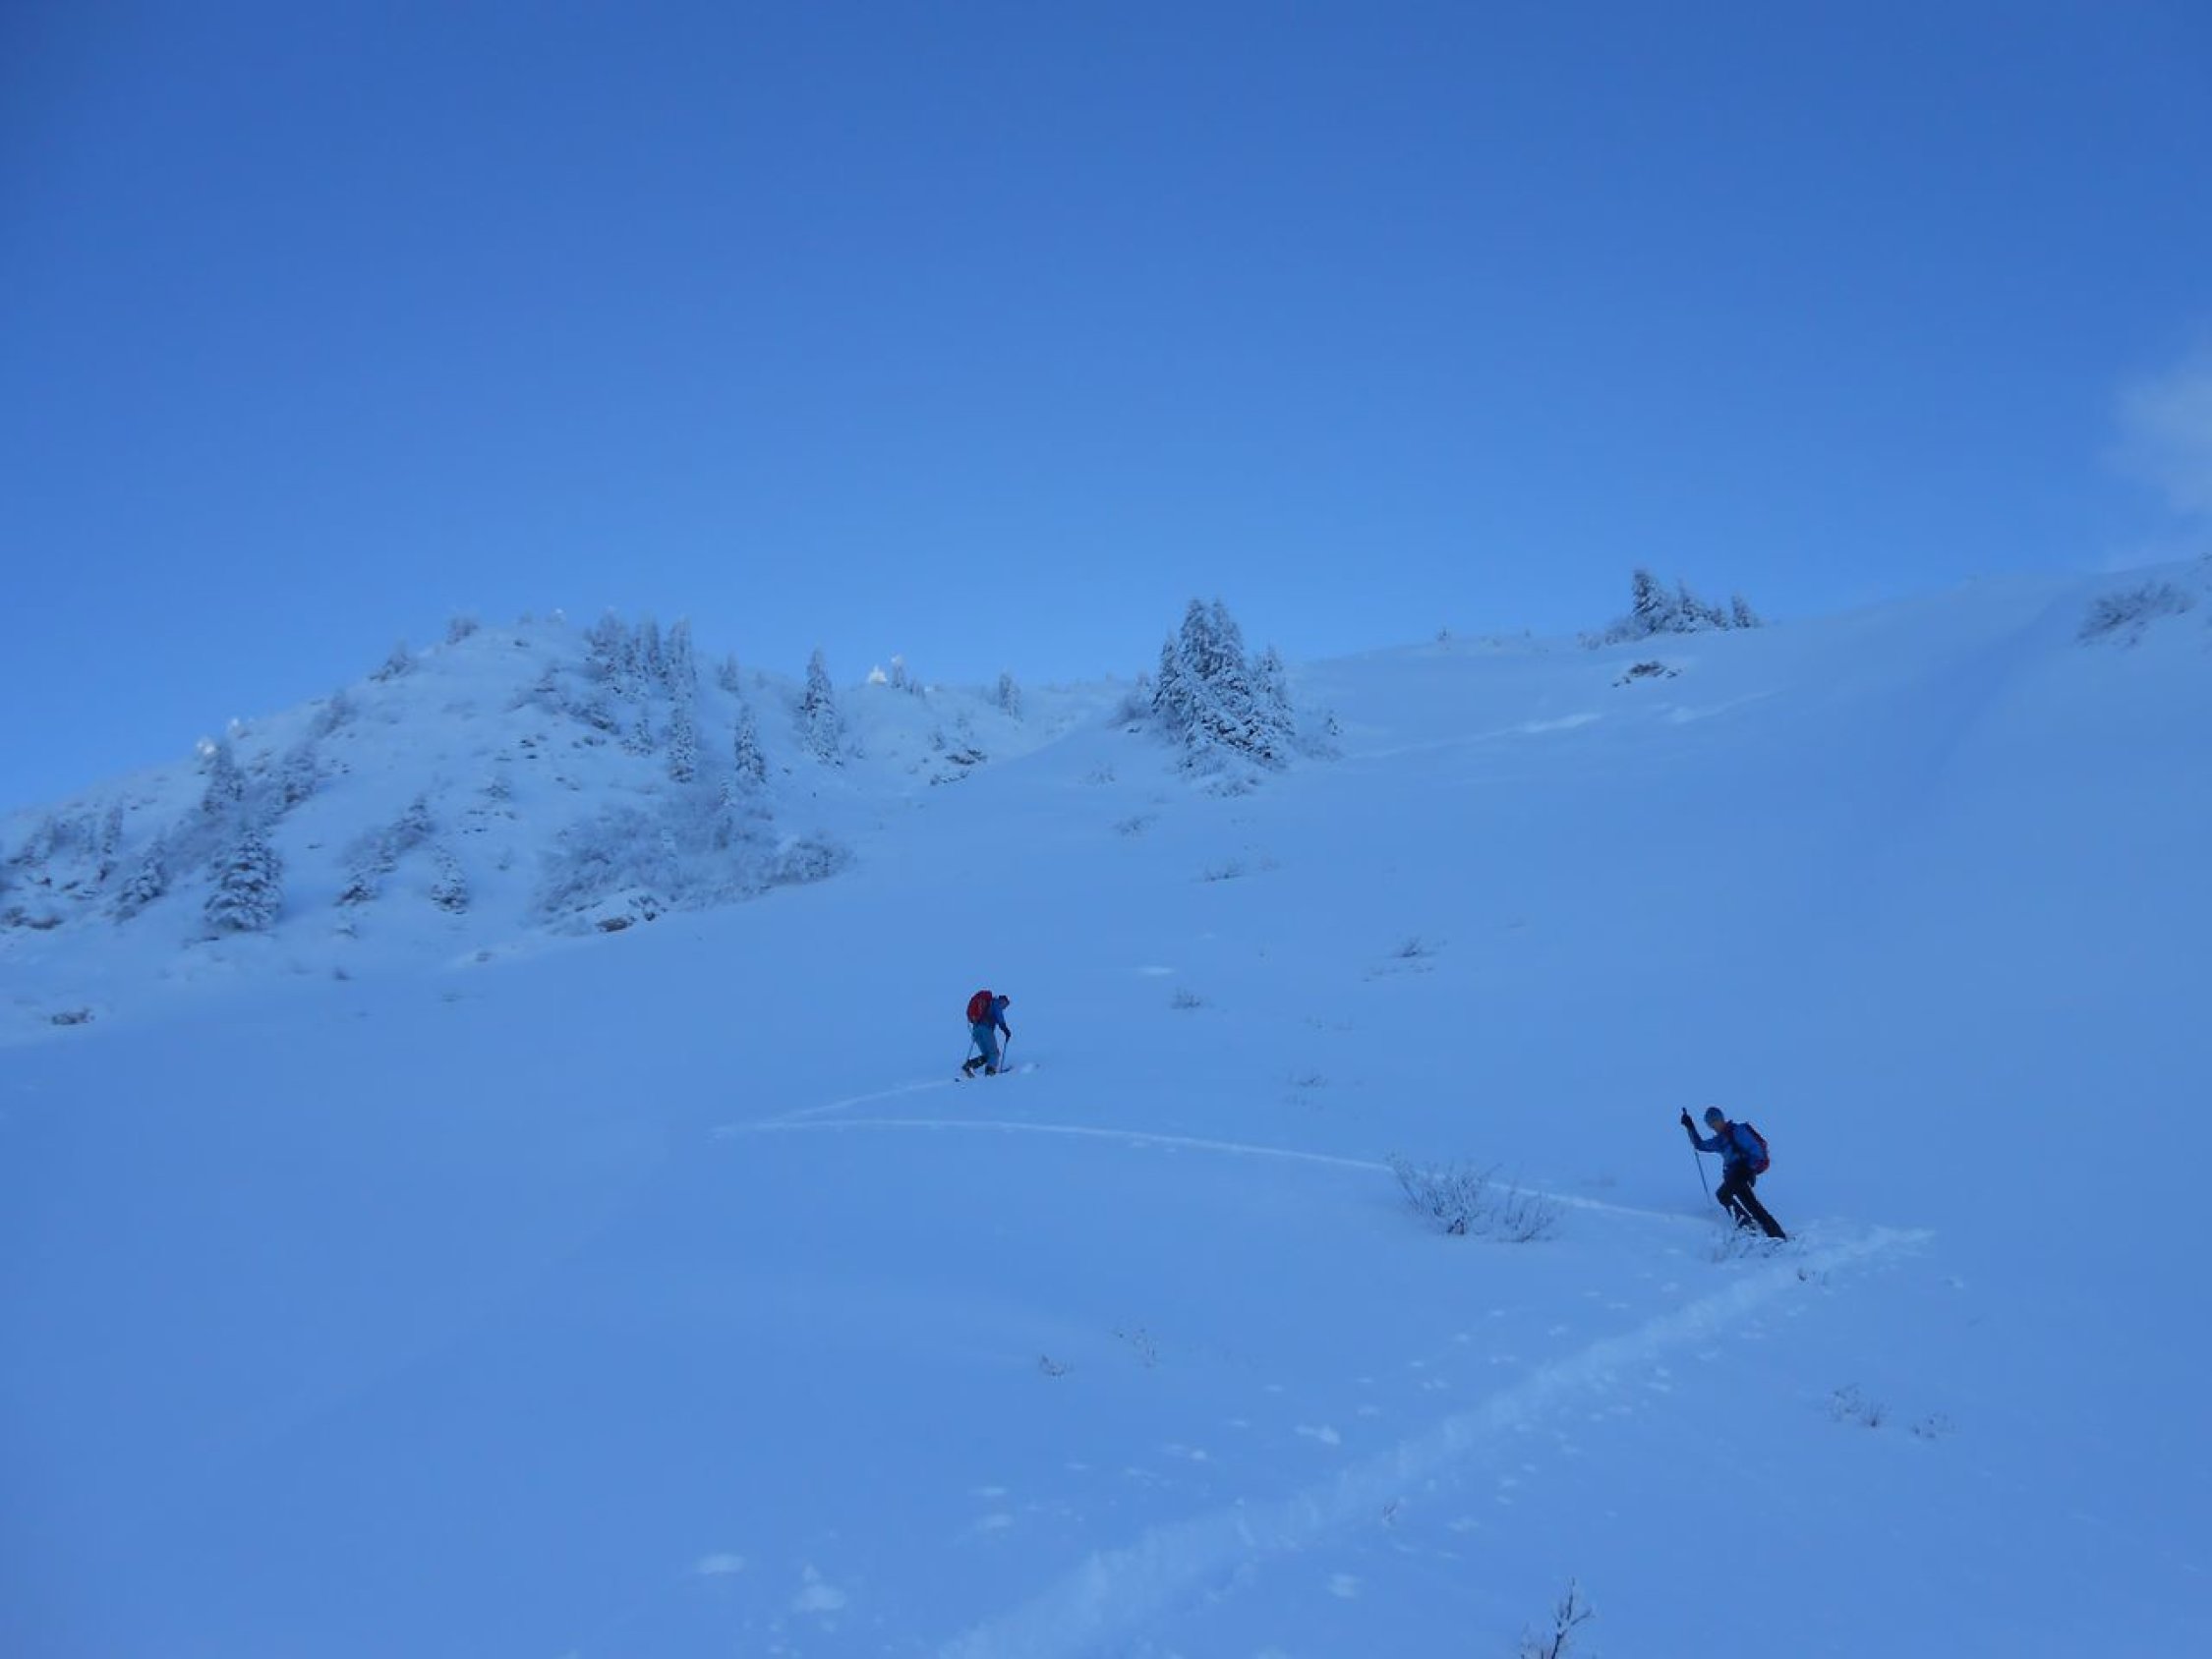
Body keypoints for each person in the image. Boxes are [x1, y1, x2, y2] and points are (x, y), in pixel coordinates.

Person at [1681, 1106, 1787, 1239]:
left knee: (1723, 1194)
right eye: (1710, 1123)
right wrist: (1690, 1127)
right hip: (1733, 1174)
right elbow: (1700, 1145)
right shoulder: (1719, 1140)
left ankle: (1749, 1226)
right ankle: (1775, 1235)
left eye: (1715, 1121)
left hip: (1743, 1170)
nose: (1713, 1125)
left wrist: (1751, 1168)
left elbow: (1756, 1149)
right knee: (1751, 1205)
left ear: (1721, 1119)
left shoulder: (1738, 1131)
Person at [961, 991, 1013, 1076]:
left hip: (976, 1030)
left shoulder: (987, 1005)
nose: (1005, 1007)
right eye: (1006, 1004)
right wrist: (1006, 1030)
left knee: (987, 1055)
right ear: (1003, 1001)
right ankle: (990, 1072)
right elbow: (1000, 1018)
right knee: (994, 1053)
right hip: (986, 1029)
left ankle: (969, 1065)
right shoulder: (996, 1003)